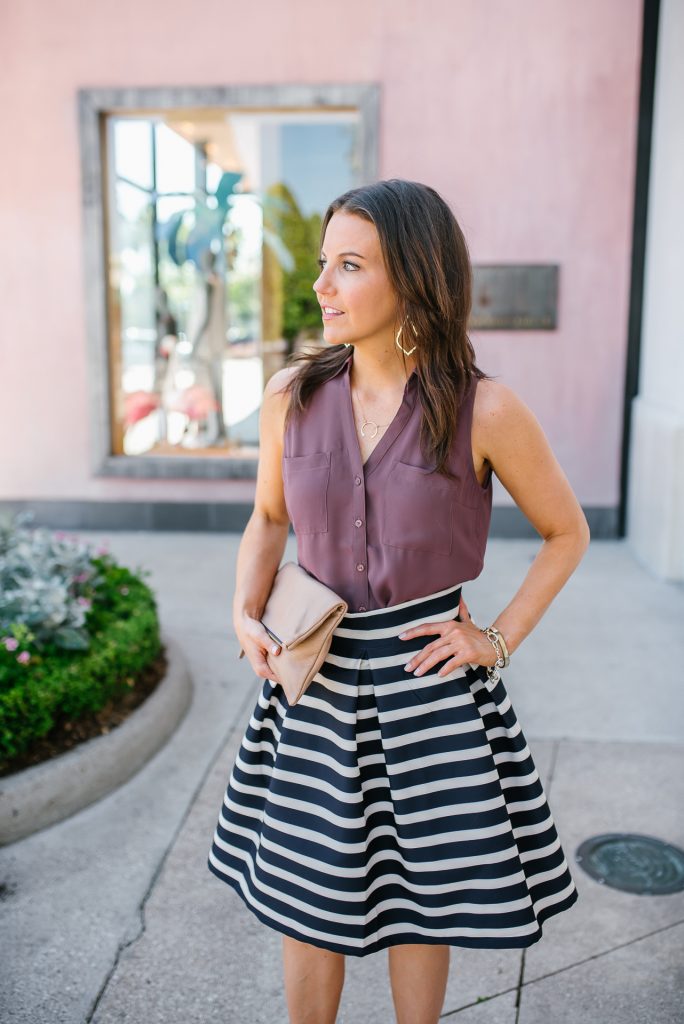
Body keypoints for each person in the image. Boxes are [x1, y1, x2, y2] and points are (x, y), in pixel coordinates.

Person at [208, 179, 590, 1024]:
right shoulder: (289, 397)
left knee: (426, 900)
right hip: (317, 683)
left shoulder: (485, 408)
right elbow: (268, 518)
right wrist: (244, 611)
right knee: (311, 899)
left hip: (430, 689)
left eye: (350, 265)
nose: (323, 286)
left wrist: (495, 638)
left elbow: (568, 532)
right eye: (323, 264)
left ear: (414, 276)